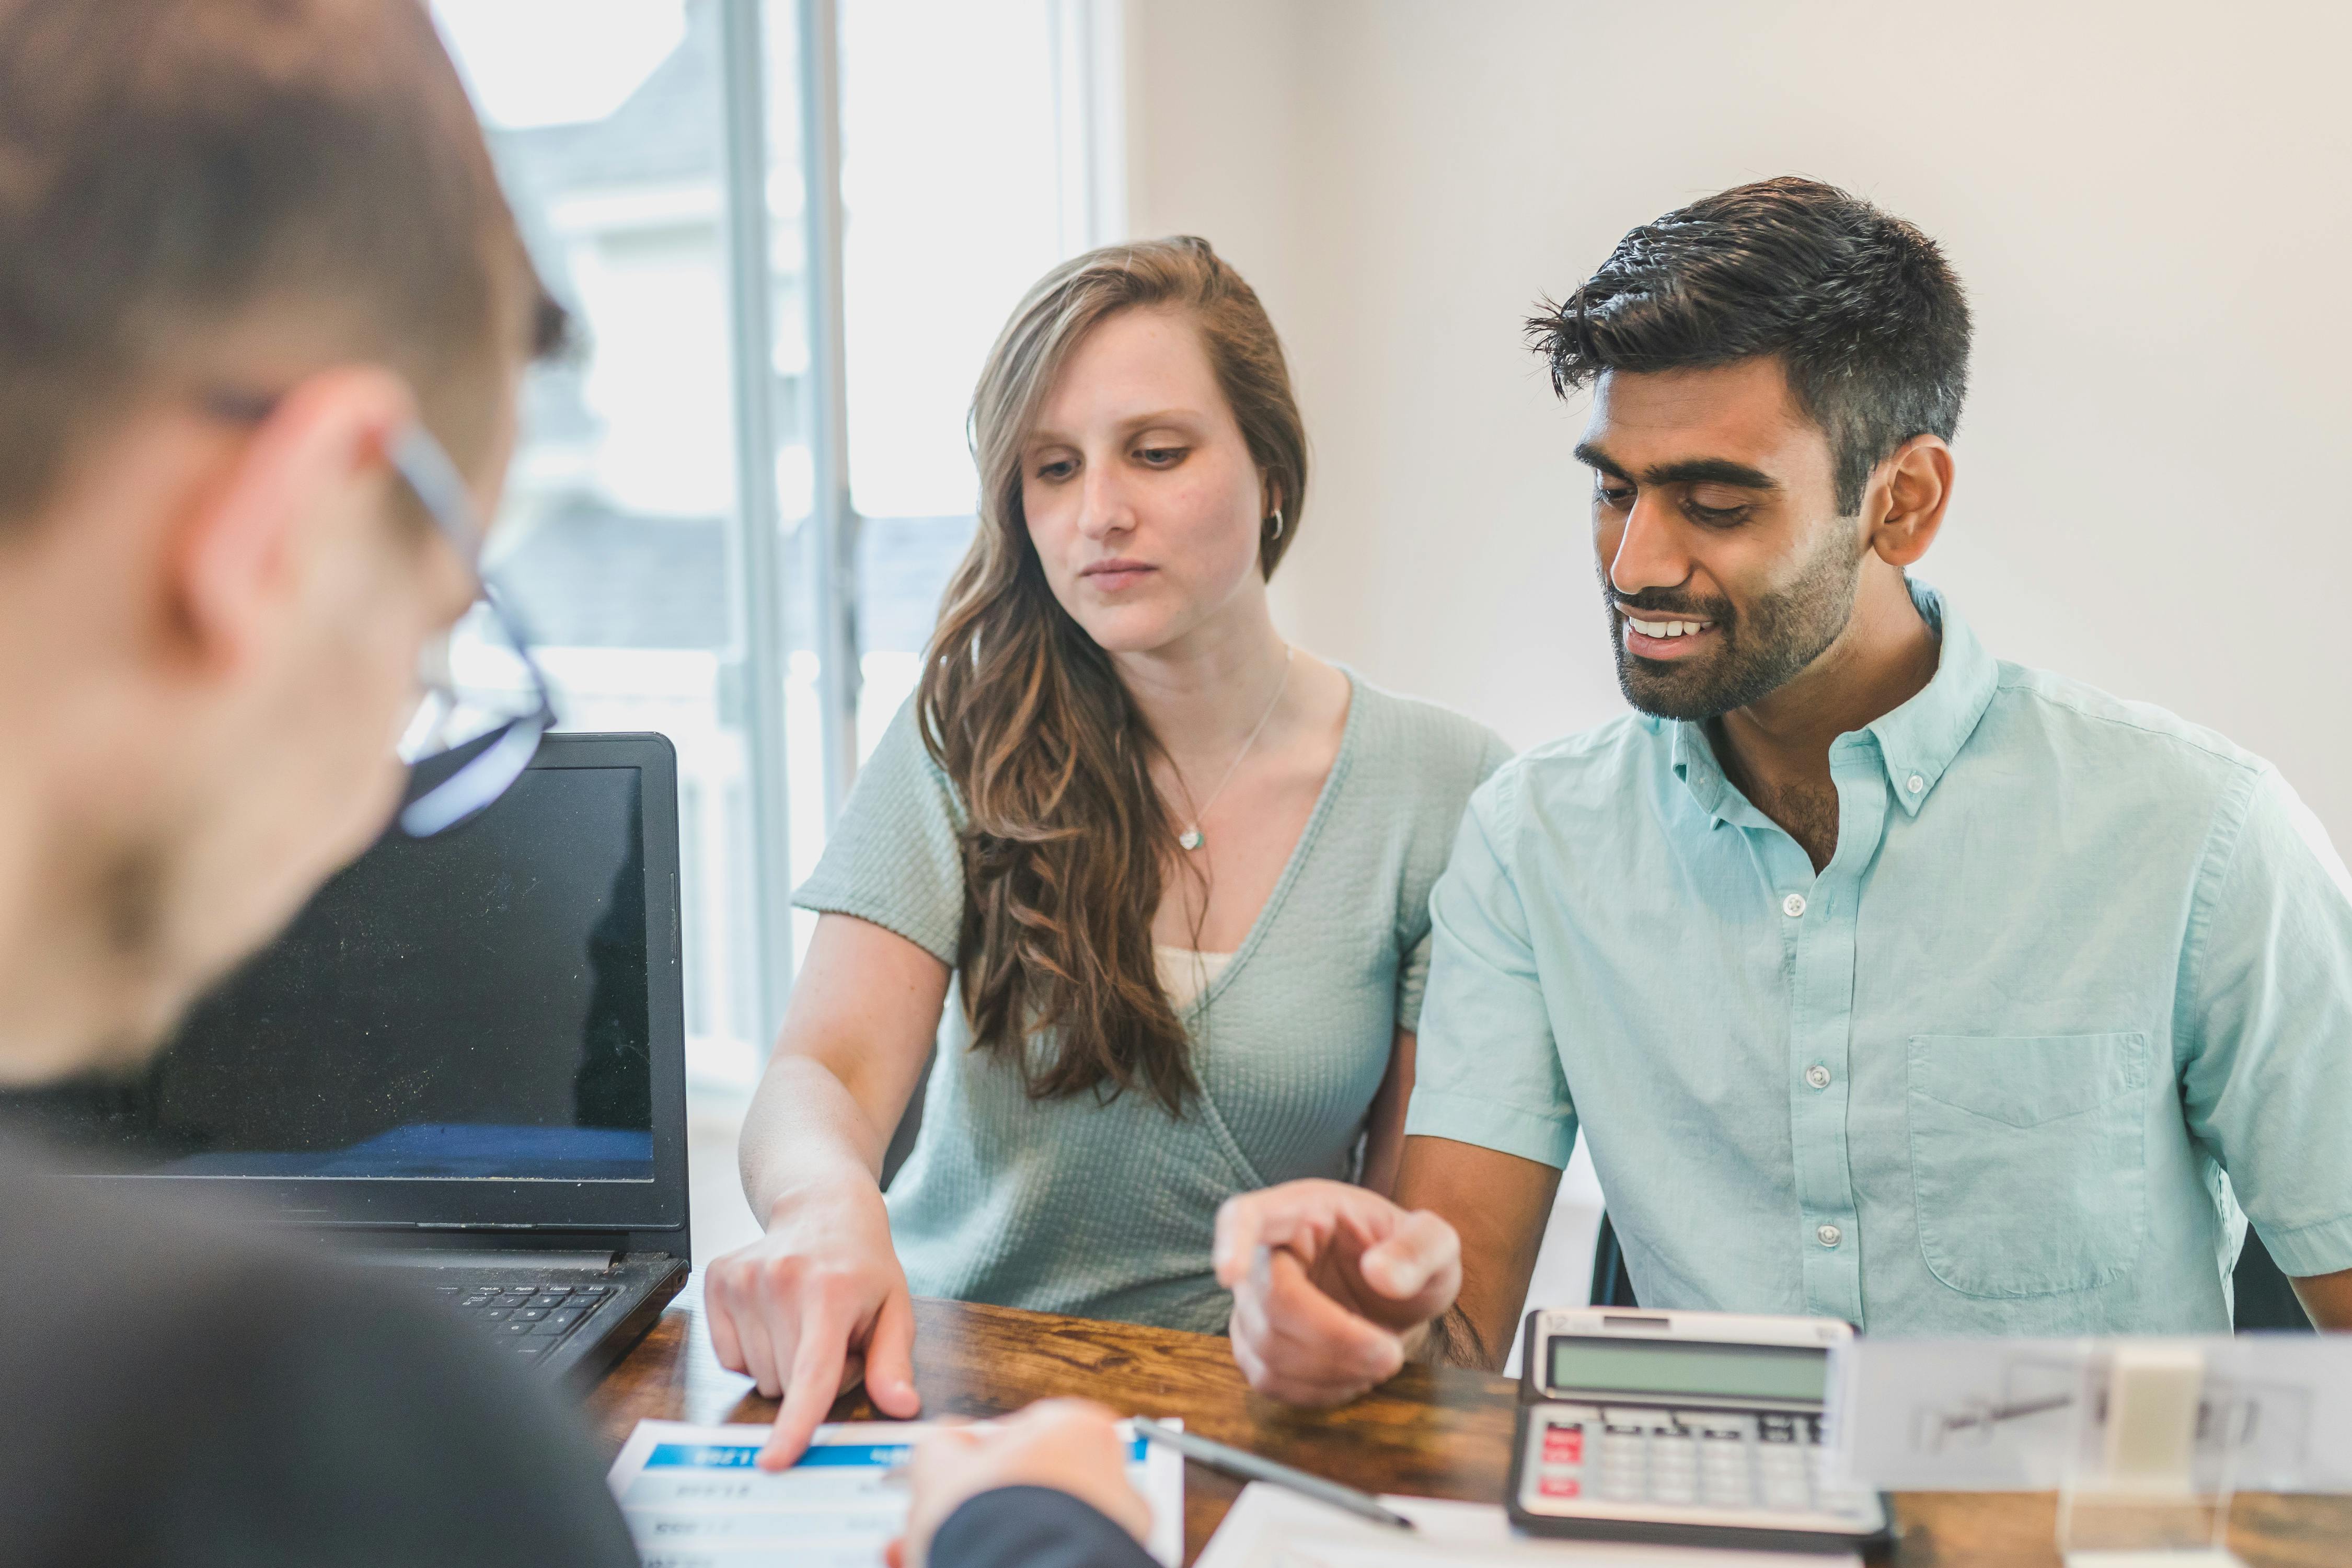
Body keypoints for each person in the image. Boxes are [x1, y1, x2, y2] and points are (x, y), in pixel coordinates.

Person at [1207, 176, 2352, 1406]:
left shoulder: (2199, 839)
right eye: (1612, 489)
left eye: (1715, 502)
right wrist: (1351, 1323)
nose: (1637, 563)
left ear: (1901, 503)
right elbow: (1450, 1332)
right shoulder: (1535, 844)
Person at [708, 236, 1511, 1466]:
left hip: (1251, 1428)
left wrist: (1357, 1308)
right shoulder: (963, 738)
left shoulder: (1442, 785)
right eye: (1053, 468)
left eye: (1157, 452)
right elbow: (823, 1073)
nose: (1100, 514)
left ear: (1273, 472)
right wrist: (827, 1208)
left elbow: (1415, 1253)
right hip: (942, 1393)